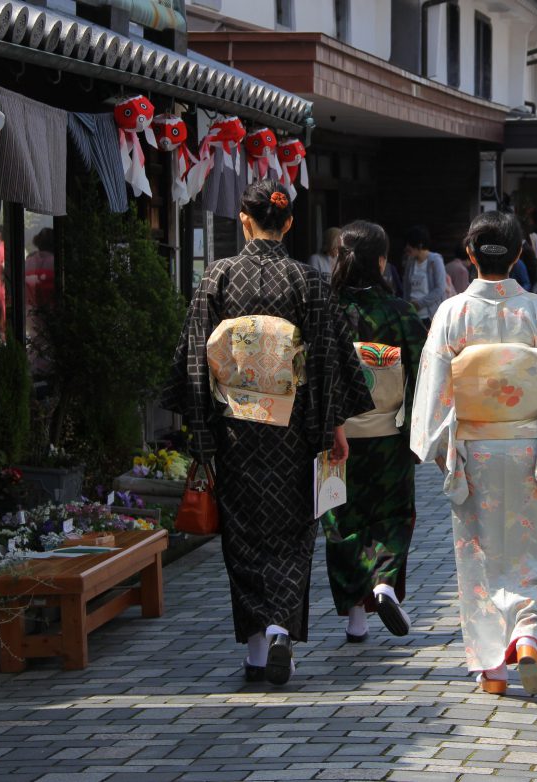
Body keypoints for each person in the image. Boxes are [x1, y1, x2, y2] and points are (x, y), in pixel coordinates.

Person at [162, 179, 373, 685]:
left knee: (242, 535)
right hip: (294, 428)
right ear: (290, 223)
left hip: (235, 427)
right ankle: (282, 627)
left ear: (243, 218)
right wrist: (333, 427)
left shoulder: (219, 275)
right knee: (293, 530)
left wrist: (200, 428)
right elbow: (326, 358)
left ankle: (257, 651)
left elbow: (195, 354)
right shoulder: (308, 281)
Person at [410, 210, 537, 696]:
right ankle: (527, 634)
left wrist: (434, 444)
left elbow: (435, 382)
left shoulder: (453, 312)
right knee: (529, 548)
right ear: (519, 255)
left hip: (474, 447)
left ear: (469, 255)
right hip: (530, 449)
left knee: (480, 555)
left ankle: (492, 669)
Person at [324, 221, 428, 643]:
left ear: (339, 258)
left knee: (341, 519)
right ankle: (384, 584)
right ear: (382, 261)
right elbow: (424, 370)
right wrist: (420, 432)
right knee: (392, 515)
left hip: (335, 434)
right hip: (389, 434)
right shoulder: (399, 312)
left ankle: (355, 618)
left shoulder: (325, 309)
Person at [402, 225, 447, 329]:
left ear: (419, 245)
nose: (406, 248)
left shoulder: (435, 260)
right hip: (412, 314)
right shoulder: (410, 262)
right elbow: (406, 289)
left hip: (429, 316)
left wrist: (419, 304)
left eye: (410, 245)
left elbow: (440, 289)